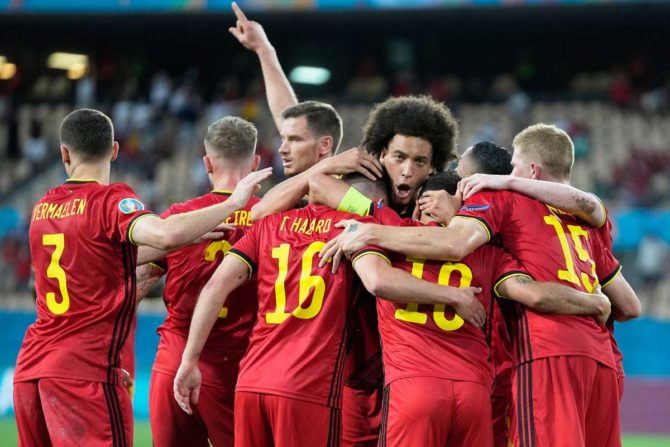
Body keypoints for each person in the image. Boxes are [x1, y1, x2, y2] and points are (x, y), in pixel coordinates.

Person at [320, 123, 629, 447]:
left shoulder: (383, 224)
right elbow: (621, 302)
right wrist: (594, 302)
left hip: (420, 386)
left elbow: (382, 276)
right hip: (481, 391)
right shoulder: (494, 253)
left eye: (461, 173)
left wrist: (360, 219)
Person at [12, 108, 271, 447]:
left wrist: (184, 240)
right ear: (115, 150)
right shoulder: (110, 200)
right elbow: (163, 236)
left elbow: (97, 258)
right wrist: (234, 203)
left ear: (63, 153)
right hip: (88, 369)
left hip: (32, 367)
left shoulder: (43, 207)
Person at [173, 176, 485, 447]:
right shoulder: (353, 231)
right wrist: (453, 296)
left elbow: (214, 288)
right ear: (368, 201)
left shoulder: (269, 224)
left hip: (251, 383)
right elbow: (378, 280)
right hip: (308, 389)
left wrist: (189, 359)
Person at [134, 117, 262, 446]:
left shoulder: (179, 219)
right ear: (256, 162)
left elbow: (135, 278)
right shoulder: (270, 217)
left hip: (174, 356)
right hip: (239, 364)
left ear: (206, 162)